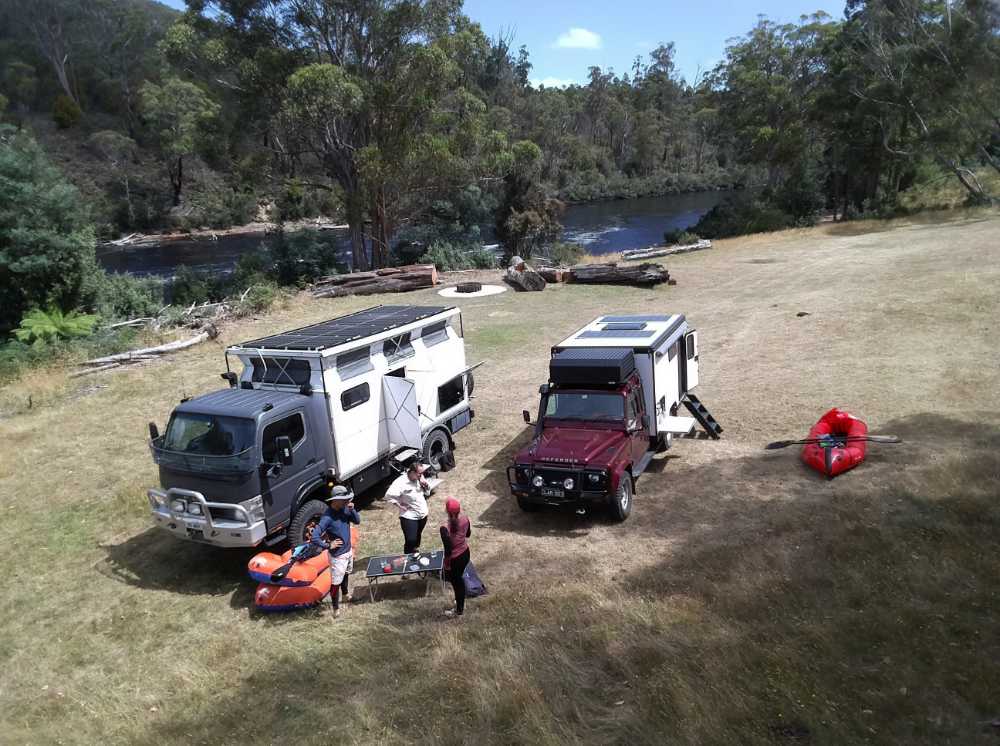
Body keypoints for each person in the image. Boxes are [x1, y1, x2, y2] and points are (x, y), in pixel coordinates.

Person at [310, 486, 360, 619]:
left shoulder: (345, 508)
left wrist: (352, 509)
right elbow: (314, 536)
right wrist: (328, 545)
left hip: (348, 550)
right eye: (344, 499)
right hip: (337, 556)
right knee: (335, 583)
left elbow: (357, 521)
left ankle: (345, 595)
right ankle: (335, 609)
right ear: (335, 500)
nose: (346, 501)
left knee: (346, 573)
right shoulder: (327, 517)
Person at [385, 463, 432, 555]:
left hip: (422, 514)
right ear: (412, 472)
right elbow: (388, 496)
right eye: (420, 473)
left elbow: (427, 493)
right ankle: (408, 557)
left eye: (422, 473)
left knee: (417, 536)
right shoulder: (400, 482)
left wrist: (425, 484)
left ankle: (415, 552)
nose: (422, 475)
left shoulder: (420, 479)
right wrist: (399, 505)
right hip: (409, 516)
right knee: (410, 539)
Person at [440, 498, 472, 618]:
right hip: (465, 553)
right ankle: (460, 601)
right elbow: (468, 534)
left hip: (455, 559)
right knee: (459, 580)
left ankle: (459, 610)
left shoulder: (444, 528)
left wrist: (447, 564)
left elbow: (448, 550)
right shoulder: (465, 519)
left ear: (447, 511)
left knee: (457, 583)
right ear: (459, 510)